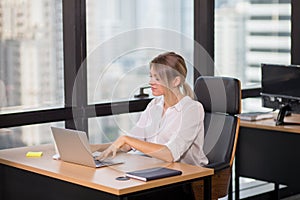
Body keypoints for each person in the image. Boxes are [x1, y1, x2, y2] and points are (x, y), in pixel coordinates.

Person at [92, 52, 208, 167]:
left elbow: (170, 154)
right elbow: (130, 142)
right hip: (156, 167)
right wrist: (94, 148)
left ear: (176, 81)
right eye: (151, 76)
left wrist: (126, 139)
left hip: (187, 175)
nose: (151, 82)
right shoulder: (154, 105)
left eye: (157, 78)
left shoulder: (192, 109)